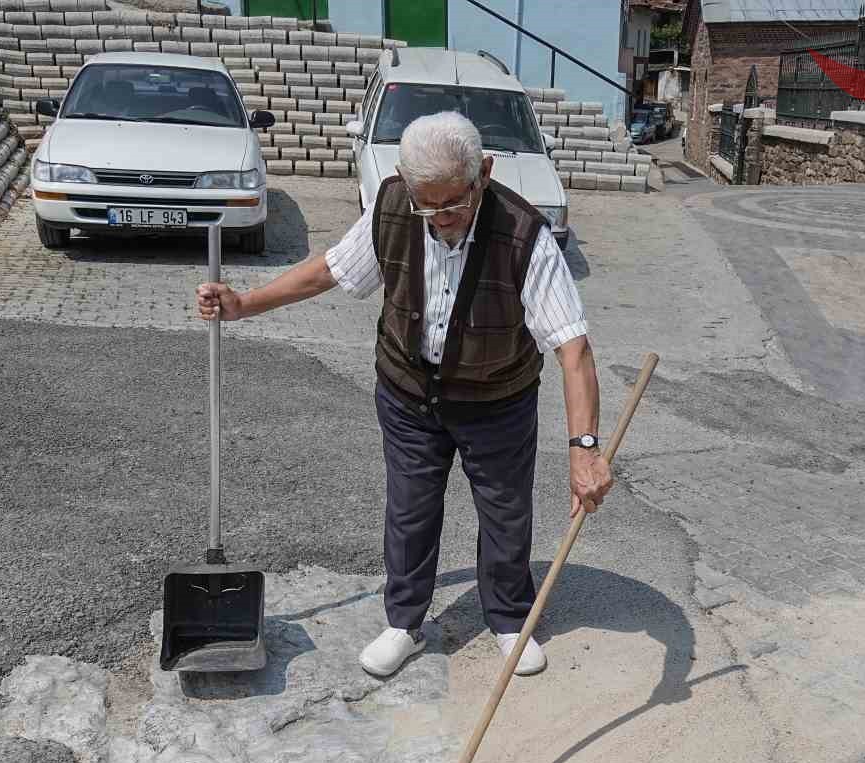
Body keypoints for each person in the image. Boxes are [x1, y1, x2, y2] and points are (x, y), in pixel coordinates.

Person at [196, 110, 613, 680]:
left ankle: (511, 618)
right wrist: (247, 303)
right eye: (427, 205)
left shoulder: (524, 235)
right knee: (411, 508)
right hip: (408, 392)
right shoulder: (394, 205)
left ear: (483, 174)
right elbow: (329, 271)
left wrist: (584, 448)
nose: (439, 219)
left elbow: (573, 350)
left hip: (497, 400)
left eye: (452, 205)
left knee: (505, 511)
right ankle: (405, 622)